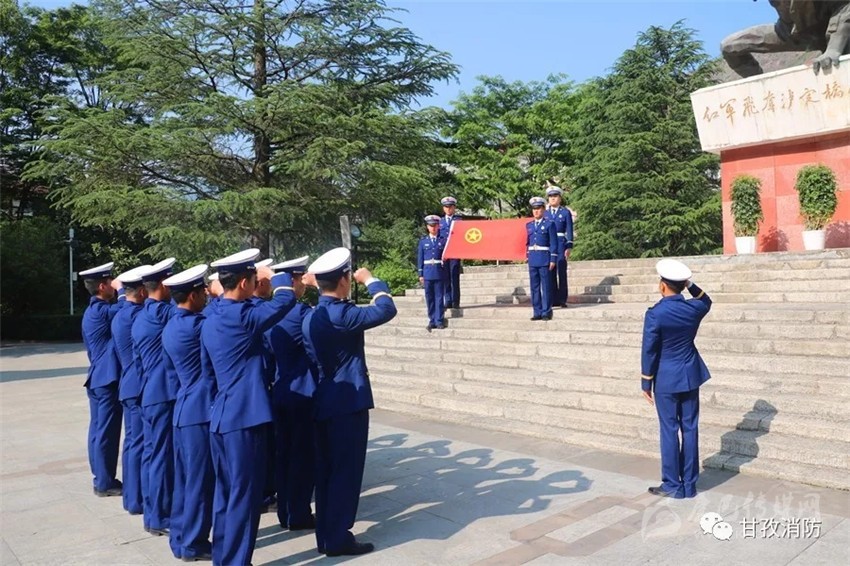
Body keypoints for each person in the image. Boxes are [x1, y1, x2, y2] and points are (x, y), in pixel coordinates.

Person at [201, 249, 297, 566]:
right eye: (255, 280)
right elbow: (285, 300)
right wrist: (277, 276)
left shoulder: (211, 316)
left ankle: (224, 557)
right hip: (245, 419)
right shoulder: (242, 317)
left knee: (227, 494)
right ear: (245, 283)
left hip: (221, 415)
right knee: (245, 496)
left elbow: (207, 373)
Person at [301, 247, 397, 556]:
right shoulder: (342, 315)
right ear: (344, 280)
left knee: (327, 472)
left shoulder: (313, 315)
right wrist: (370, 280)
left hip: (323, 399)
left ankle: (327, 535)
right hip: (347, 403)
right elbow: (386, 308)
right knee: (345, 471)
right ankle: (338, 537)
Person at [641, 259, 712, 499]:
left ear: (662, 285)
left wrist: (646, 381)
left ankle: (673, 484)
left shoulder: (656, 314)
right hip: (690, 374)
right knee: (690, 428)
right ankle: (689, 485)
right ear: (682, 285)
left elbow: (649, 350)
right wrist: (689, 284)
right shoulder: (694, 309)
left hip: (666, 378)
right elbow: (706, 300)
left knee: (669, 430)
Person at [162, 264, 215, 562]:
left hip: (183, 409)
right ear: (193, 296)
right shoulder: (198, 326)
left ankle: (181, 538)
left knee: (184, 481)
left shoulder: (172, 325)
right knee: (199, 481)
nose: (207, 296)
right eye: (203, 292)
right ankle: (194, 543)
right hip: (200, 412)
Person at [267, 256, 319, 531]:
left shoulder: (268, 311)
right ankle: (298, 514)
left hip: (280, 388)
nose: (303, 285)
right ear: (293, 282)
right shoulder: (300, 313)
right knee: (302, 456)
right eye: (300, 280)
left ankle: (285, 511)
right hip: (303, 392)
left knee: (284, 455)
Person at [131, 257, 178, 542]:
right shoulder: (163, 314)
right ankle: (159, 515)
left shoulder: (142, 316)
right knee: (161, 456)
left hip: (149, 392)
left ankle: (153, 513)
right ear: (163, 284)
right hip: (162, 395)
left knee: (152, 455)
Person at [80, 261, 124, 497]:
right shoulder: (102, 311)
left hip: (97, 378)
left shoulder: (92, 311)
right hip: (106, 380)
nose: (113, 286)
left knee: (98, 430)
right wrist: (124, 289)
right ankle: (104, 481)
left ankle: (101, 477)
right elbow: (126, 309)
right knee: (106, 432)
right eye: (110, 282)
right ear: (102, 286)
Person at [111, 264, 151, 514]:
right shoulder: (137, 316)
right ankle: (137, 499)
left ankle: (131, 497)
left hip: (129, 383)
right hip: (137, 386)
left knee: (132, 443)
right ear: (143, 291)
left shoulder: (121, 313)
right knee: (139, 443)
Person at [525, 197, 557, 321]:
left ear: (543, 210)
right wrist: (527, 255)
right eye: (534, 209)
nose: (536, 211)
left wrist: (553, 259)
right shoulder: (529, 225)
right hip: (533, 259)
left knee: (546, 286)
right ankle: (537, 311)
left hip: (544, 259)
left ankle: (546, 312)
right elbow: (528, 243)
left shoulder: (549, 224)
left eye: (538, 208)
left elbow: (553, 243)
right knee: (534, 287)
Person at [544, 186, 574, 308]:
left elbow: (569, 230)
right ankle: (552, 299)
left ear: (560, 198)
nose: (553, 199)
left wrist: (569, 246)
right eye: (550, 196)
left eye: (555, 196)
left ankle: (562, 299)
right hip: (549, 245)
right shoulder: (545, 213)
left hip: (561, 243)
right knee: (550, 271)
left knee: (561, 271)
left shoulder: (565, 212)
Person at [417, 214, 447, 331]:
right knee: (429, 298)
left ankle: (439, 320)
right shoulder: (423, 242)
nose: (433, 228)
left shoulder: (443, 241)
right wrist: (420, 274)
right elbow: (420, 258)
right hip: (427, 273)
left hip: (439, 272)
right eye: (431, 226)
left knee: (439, 297)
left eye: (435, 225)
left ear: (438, 226)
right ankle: (432, 320)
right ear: (427, 227)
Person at [438, 196, 462, 309]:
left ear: (454, 208)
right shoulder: (440, 222)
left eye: (450, 207)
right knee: (445, 278)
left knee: (454, 277)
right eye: (446, 207)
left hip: (455, 253)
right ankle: (447, 300)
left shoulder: (459, 221)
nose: (448, 209)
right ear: (443, 208)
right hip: (444, 253)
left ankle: (455, 301)